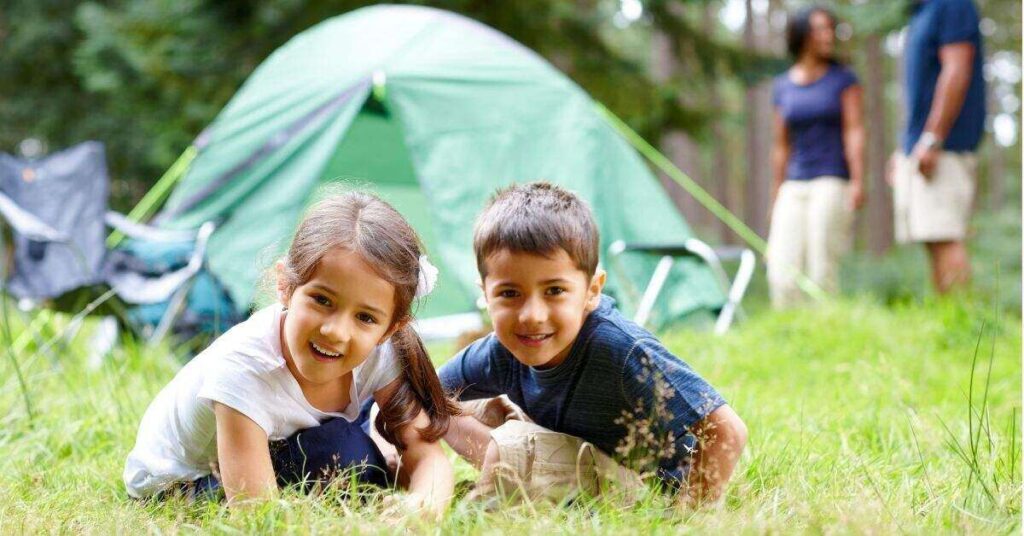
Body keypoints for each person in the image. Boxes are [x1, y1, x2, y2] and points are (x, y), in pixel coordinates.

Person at [123, 192, 458, 517]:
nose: (336, 332)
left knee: (355, 453)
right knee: (347, 454)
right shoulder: (245, 369)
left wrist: (422, 510)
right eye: (322, 300)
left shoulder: (381, 352)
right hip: (179, 485)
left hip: (281, 439)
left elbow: (427, 454)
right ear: (285, 286)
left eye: (365, 317)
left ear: (389, 329)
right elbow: (257, 514)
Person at [438, 182, 747, 507]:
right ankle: (508, 474)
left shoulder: (621, 349)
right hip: (572, 454)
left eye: (555, 290)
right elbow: (426, 390)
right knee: (452, 405)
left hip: (640, 484)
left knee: (506, 438)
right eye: (509, 293)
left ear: (592, 290)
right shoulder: (500, 350)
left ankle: (507, 478)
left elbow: (727, 431)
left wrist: (687, 519)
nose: (532, 316)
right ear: (485, 294)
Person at [767, 6, 865, 308]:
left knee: (822, 266)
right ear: (802, 35)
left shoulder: (843, 79)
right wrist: (776, 192)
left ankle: (826, 332)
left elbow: (854, 131)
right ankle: (790, 332)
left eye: (829, 28)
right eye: (820, 29)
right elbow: (781, 145)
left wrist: (858, 181)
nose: (828, 35)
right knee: (779, 267)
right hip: (795, 182)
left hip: (831, 179)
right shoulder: (783, 86)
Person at [890, 0, 986, 293]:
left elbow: (956, 69)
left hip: (946, 144)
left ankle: (964, 330)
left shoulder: (952, 4)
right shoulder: (922, 11)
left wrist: (933, 138)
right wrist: (903, 148)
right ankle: (949, 323)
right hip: (921, 145)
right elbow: (919, 92)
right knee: (931, 237)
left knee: (945, 235)